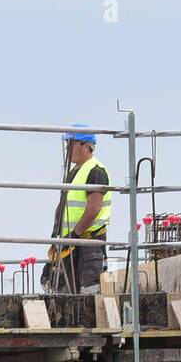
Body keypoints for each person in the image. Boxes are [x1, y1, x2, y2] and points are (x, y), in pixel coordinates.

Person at [47, 124, 112, 293]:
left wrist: (74, 234)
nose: (67, 148)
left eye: (71, 143)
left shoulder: (95, 171)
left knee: (89, 291)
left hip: (88, 243)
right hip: (71, 242)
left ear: (86, 146)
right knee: (68, 291)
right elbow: (64, 206)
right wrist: (57, 237)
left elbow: (94, 208)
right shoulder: (75, 172)